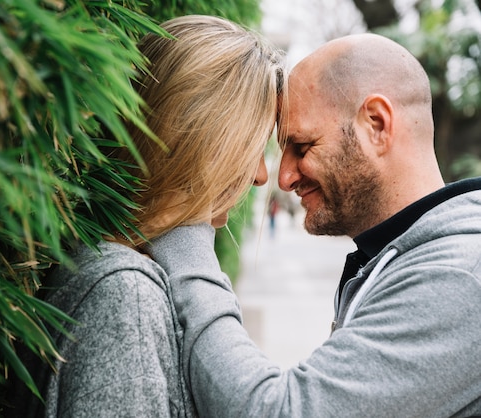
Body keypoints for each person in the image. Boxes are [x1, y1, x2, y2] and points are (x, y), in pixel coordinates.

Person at [148, 33, 481, 417]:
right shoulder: (406, 259)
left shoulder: (456, 276)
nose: (284, 177)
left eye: (302, 146)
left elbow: (278, 412)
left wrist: (183, 236)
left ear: (376, 124)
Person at [5, 15, 285, 417]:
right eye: (250, 147)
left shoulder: (121, 270)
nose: (260, 174)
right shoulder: (127, 294)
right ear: (201, 140)